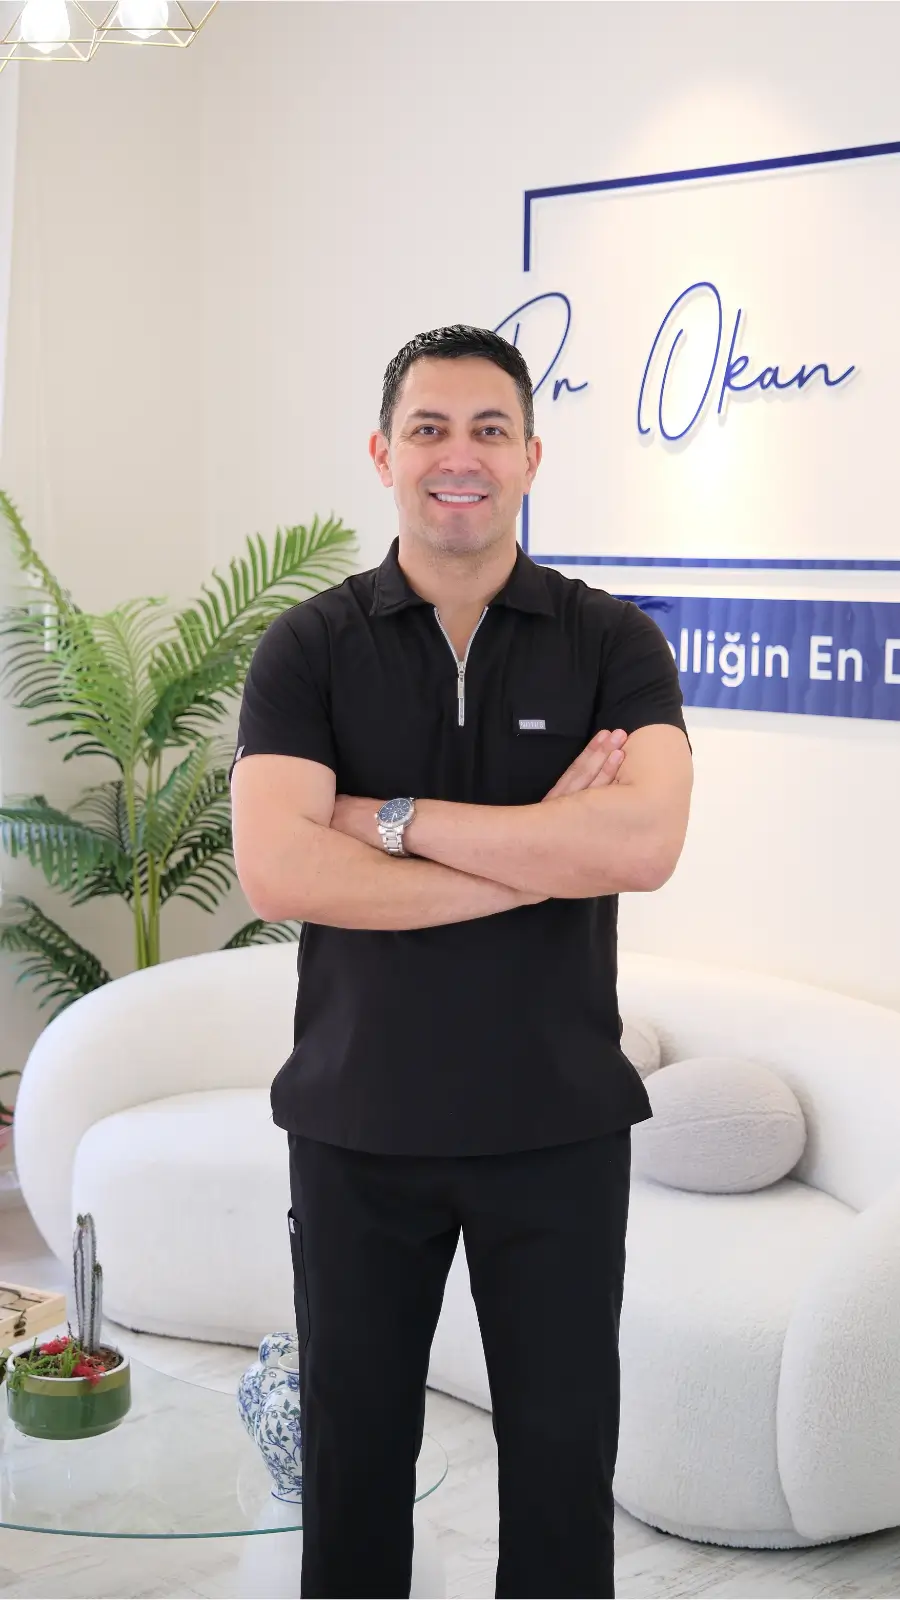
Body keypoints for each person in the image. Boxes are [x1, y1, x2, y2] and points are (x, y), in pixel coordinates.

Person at [230, 325, 693, 1599]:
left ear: (532, 456)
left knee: (561, 1485)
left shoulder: (613, 642)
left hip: (557, 1129)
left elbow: (644, 843)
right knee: (352, 1478)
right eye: (428, 428)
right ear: (383, 454)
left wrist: (387, 820)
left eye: (490, 429)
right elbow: (280, 872)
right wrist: (541, 853)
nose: (460, 456)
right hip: (356, 1127)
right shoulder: (310, 647)